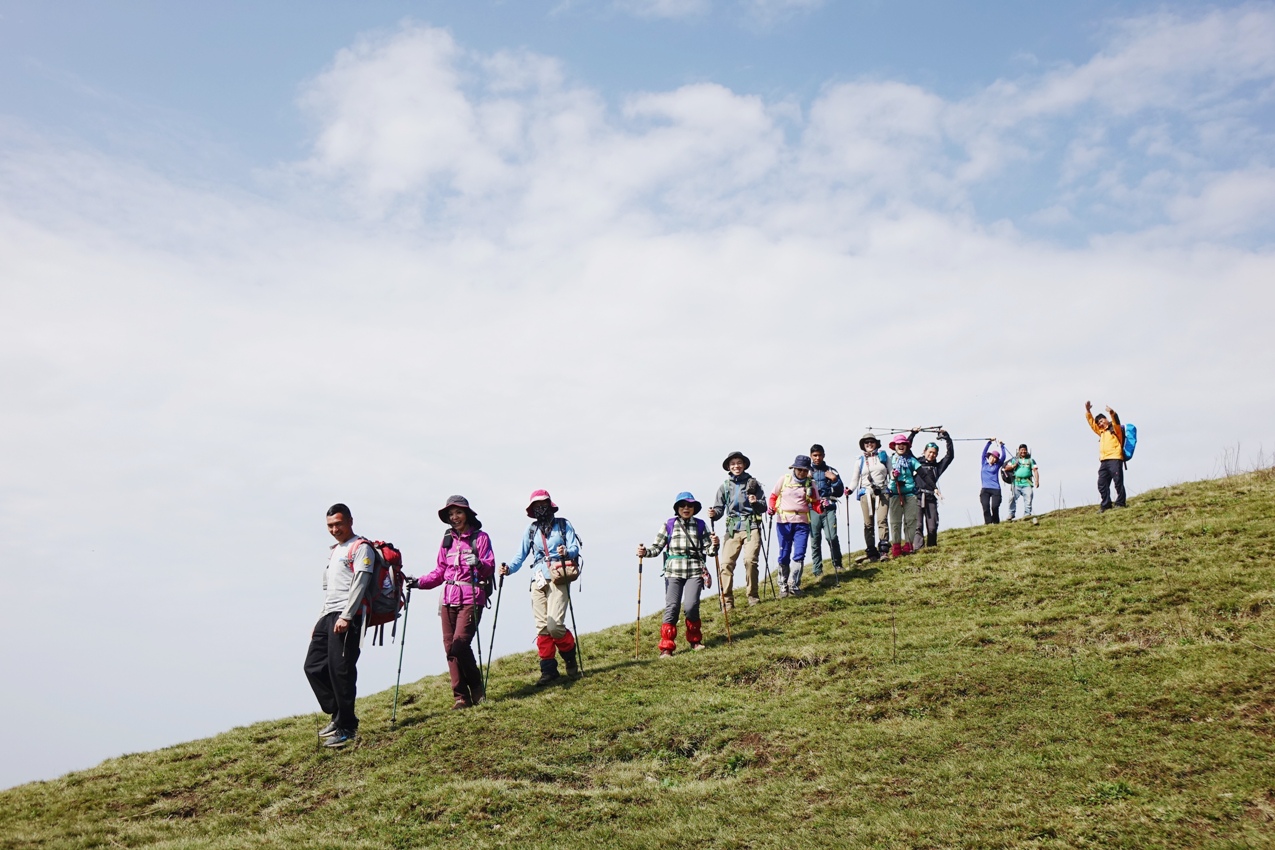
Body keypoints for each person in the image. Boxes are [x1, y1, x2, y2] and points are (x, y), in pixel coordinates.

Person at [404, 496, 494, 710]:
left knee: (460, 644)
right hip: (447, 599)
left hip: (472, 596)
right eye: (451, 514)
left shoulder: (480, 538)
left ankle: (477, 689)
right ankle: (461, 698)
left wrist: (479, 563)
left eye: (458, 513)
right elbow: (439, 572)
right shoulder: (447, 540)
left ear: (467, 514)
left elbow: (489, 567)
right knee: (450, 649)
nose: (454, 517)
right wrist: (418, 583)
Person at [303, 503, 373, 748]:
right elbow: (328, 590)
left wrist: (347, 615)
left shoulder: (361, 547)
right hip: (329, 615)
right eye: (330, 526)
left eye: (338, 524)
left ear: (350, 521)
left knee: (341, 671)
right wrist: (320, 618)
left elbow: (361, 582)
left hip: (348, 615)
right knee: (313, 666)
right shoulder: (335, 551)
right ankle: (339, 714)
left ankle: (347, 728)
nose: (334, 529)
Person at [501, 490, 582, 686]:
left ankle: (570, 658)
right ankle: (548, 671)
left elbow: (575, 547)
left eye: (543, 504)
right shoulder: (531, 530)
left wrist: (566, 551)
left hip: (558, 577)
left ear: (550, 504)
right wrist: (508, 569)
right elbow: (520, 556)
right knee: (542, 628)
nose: (540, 509)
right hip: (537, 580)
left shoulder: (563, 525)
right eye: (536, 506)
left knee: (555, 627)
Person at [638, 492, 720, 656]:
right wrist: (644, 552)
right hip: (673, 571)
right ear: (677, 508)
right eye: (682, 505)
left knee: (691, 606)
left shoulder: (701, 525)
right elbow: (656, 548)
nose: (686, 508)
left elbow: (709, 550)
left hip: (695, 571)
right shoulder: (669, 525)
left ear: (694, 508)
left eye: (689, 505)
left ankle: (695, 641)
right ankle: (666, 647)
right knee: (672, 607)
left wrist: (715, 545)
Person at [708, 451, 766, 607]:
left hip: (751, 526)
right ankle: (726, 601)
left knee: (750, 561)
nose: (736, 466)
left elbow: (763, 507)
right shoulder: (725, 487)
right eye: (733, 464)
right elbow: (719, 510)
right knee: (726, 564)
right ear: (728, 466)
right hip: (732, 529)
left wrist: (755, 502)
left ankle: (753, 596)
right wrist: (714, 514)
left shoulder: (753, 484)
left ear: (744, 465)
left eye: (739, 463)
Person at [767, 455, 827, 596]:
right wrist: (771, 508)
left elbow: (816, 504)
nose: (802, 473)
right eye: (799, 469)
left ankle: (793, 584)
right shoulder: (784, 480)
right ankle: (783, 584)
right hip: (784, 521)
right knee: (784, 553)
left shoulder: (811, 484)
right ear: (794, 468)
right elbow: (773, 497)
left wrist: (823, 506)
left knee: (799, 554)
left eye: (805, 470)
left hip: (802, 523)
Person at [848, 433, 891, 561]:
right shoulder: (859, 460)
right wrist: (849, 489)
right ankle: (872, 552)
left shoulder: (883, 456)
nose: (869, 444)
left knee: (882, 520)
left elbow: (892, 472)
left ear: (876, 443)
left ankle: (883, 551)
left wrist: (893, 483)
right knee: (868, 523)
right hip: (865, 493)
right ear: (863, 445)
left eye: (871, 442)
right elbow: (855, 479)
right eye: (866, 443)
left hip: (882, 492)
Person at [907, 428, 954, 549]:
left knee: (932, 527)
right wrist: (913, 434)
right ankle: (918, 549)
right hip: (916, 497)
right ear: (924, 451)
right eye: (930, 452)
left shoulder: (937, 467)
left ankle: (932, 548)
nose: (931, 454)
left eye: (934, 453)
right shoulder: (916, 462)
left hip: (931, 498)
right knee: (918, 526)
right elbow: (906, 449)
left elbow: (950, 456)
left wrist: (947, 438)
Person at [808, 444, 845, 578]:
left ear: (824, 455)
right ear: (811, 456)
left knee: (832, 537)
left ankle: (838, 564)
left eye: (819, 455)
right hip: (812, 509)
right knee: (815, 540)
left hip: (829, 507)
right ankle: (817, 570)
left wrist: (834, 480)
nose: (817, 458)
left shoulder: (831, 470)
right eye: (814, 455)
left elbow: (840, 492)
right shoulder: (806, 472)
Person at [884, 434, 922, 558]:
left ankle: (909, 544)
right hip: (895, 494)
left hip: (910, 493)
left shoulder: (912, 460)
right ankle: (896, 546)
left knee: (911, 520)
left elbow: (923, 473)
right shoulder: (889, 460)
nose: (901, 446)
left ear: (907, 446)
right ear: (894, 446)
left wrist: (934, 487)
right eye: (898, 444)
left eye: (903, 444)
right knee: (895, 521)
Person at [1085, 401, 1127, 511]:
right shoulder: (1101, 432)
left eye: (1102, 421)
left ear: (1106, 420)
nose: (1100, 423)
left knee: (1118, 482)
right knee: (1101, 483)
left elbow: (1116, 421)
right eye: (1098, 422)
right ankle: (1106, 504)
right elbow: (1092, 424)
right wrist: (1088, 411)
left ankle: (1120, 503)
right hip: (1104, 461)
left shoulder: (1115, 429)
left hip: (1115, 458)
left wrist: (1112, 412)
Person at [1005, 445, 1041, 522]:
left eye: (1024, 450)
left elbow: (1035, 470)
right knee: (1012, 498)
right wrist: (1014, 465)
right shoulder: (1015, 460)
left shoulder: (1031, 460)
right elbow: (1006, 468)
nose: (1023, 451)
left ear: (1027, 451)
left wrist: (1037, 481)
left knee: (1028, 498)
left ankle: (1027, 514)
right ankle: (1011, 513)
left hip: (1027, 483)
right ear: (1019, 451)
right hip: (1016, 483)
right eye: (1021, 450)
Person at [980, 439, 1008, 524]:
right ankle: (988, 523)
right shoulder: (984, 463)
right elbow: (983, 453)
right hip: (985, 489)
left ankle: (996, 522)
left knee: (994, 507)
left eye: (995, 458)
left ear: (996, 460)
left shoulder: (997, 466)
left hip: (995, 489)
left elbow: (1003, 457)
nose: (992, 458)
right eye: (991, 456)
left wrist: (1002, 446)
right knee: (985, 506)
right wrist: (989, 442)